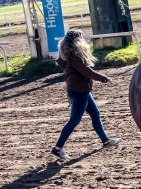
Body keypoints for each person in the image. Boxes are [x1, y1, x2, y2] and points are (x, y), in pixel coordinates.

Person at [51, 29, 121, 160]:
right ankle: (57, 148)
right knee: (74, 120)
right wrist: (105, 78)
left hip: (80, 90)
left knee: (95, 114)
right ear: (77, 41)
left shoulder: (67, 56)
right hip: (79, 91)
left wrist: (69, 94)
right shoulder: (74, 57)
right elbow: (87, 72)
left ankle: (106, 141)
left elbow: (69, 76)